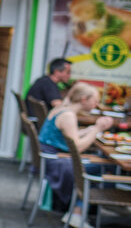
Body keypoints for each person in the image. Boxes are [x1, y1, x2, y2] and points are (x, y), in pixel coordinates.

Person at [38, 83, 114, 228]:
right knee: (102, 167)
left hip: (52, 159)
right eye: (95, 100)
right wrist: (97, 128)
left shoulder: (61, 109)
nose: (97, 104)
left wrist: (89, 129)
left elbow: (67, 137)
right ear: (84, 99)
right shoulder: (68, 115)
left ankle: (82, 209)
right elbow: (77, 147)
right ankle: (79, 212)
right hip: (58, 164)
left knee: (99, 165)